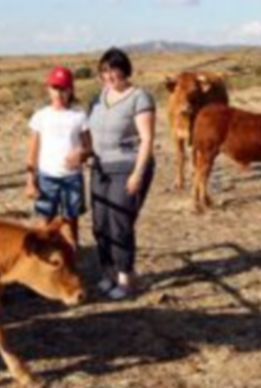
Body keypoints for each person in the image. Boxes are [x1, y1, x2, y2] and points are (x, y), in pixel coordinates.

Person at [86, 47, 156, 300]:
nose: (109, 75)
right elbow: (87, 133)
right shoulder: (97, 98)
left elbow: (147, 139)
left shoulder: (139, 97)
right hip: (100, 168)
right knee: (100, 224)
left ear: (124, 69)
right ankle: (108, 274)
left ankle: (126, 278)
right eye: (104, 70)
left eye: (113, 69)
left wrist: (137, 173)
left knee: (119, 223)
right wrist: (83, 154)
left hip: (127, 167)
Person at [25, 66, 91, 242]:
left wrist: (82, 153)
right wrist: (31, 181)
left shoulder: (79, 116)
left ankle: (72, 259)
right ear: (48, 89)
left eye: (63, 89)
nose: (59, 94)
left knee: (71, 221)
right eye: (55, 88)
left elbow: (89, 147)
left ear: (71, 90)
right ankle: (43, 263)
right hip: (47, 177)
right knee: (44, 220)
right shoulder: (41, 116)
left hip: (72, 177)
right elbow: (33, 150)